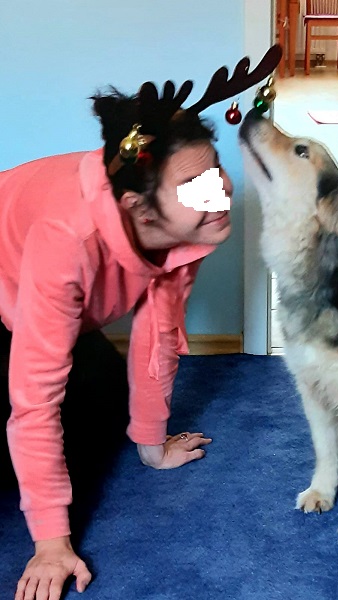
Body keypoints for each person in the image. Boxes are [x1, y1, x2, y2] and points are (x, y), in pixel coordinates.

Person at [0, 45, 282, 600]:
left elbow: (159, 333)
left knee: (108, 415)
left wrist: (153, 445)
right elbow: (34, 397)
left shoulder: (191, 227)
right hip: (10, 291)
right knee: (31, 437)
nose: (222, 191)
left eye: (217, 170)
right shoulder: (67, 240)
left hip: (52, 304)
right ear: (138, 206)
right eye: (197, 185)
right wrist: (51, 543)